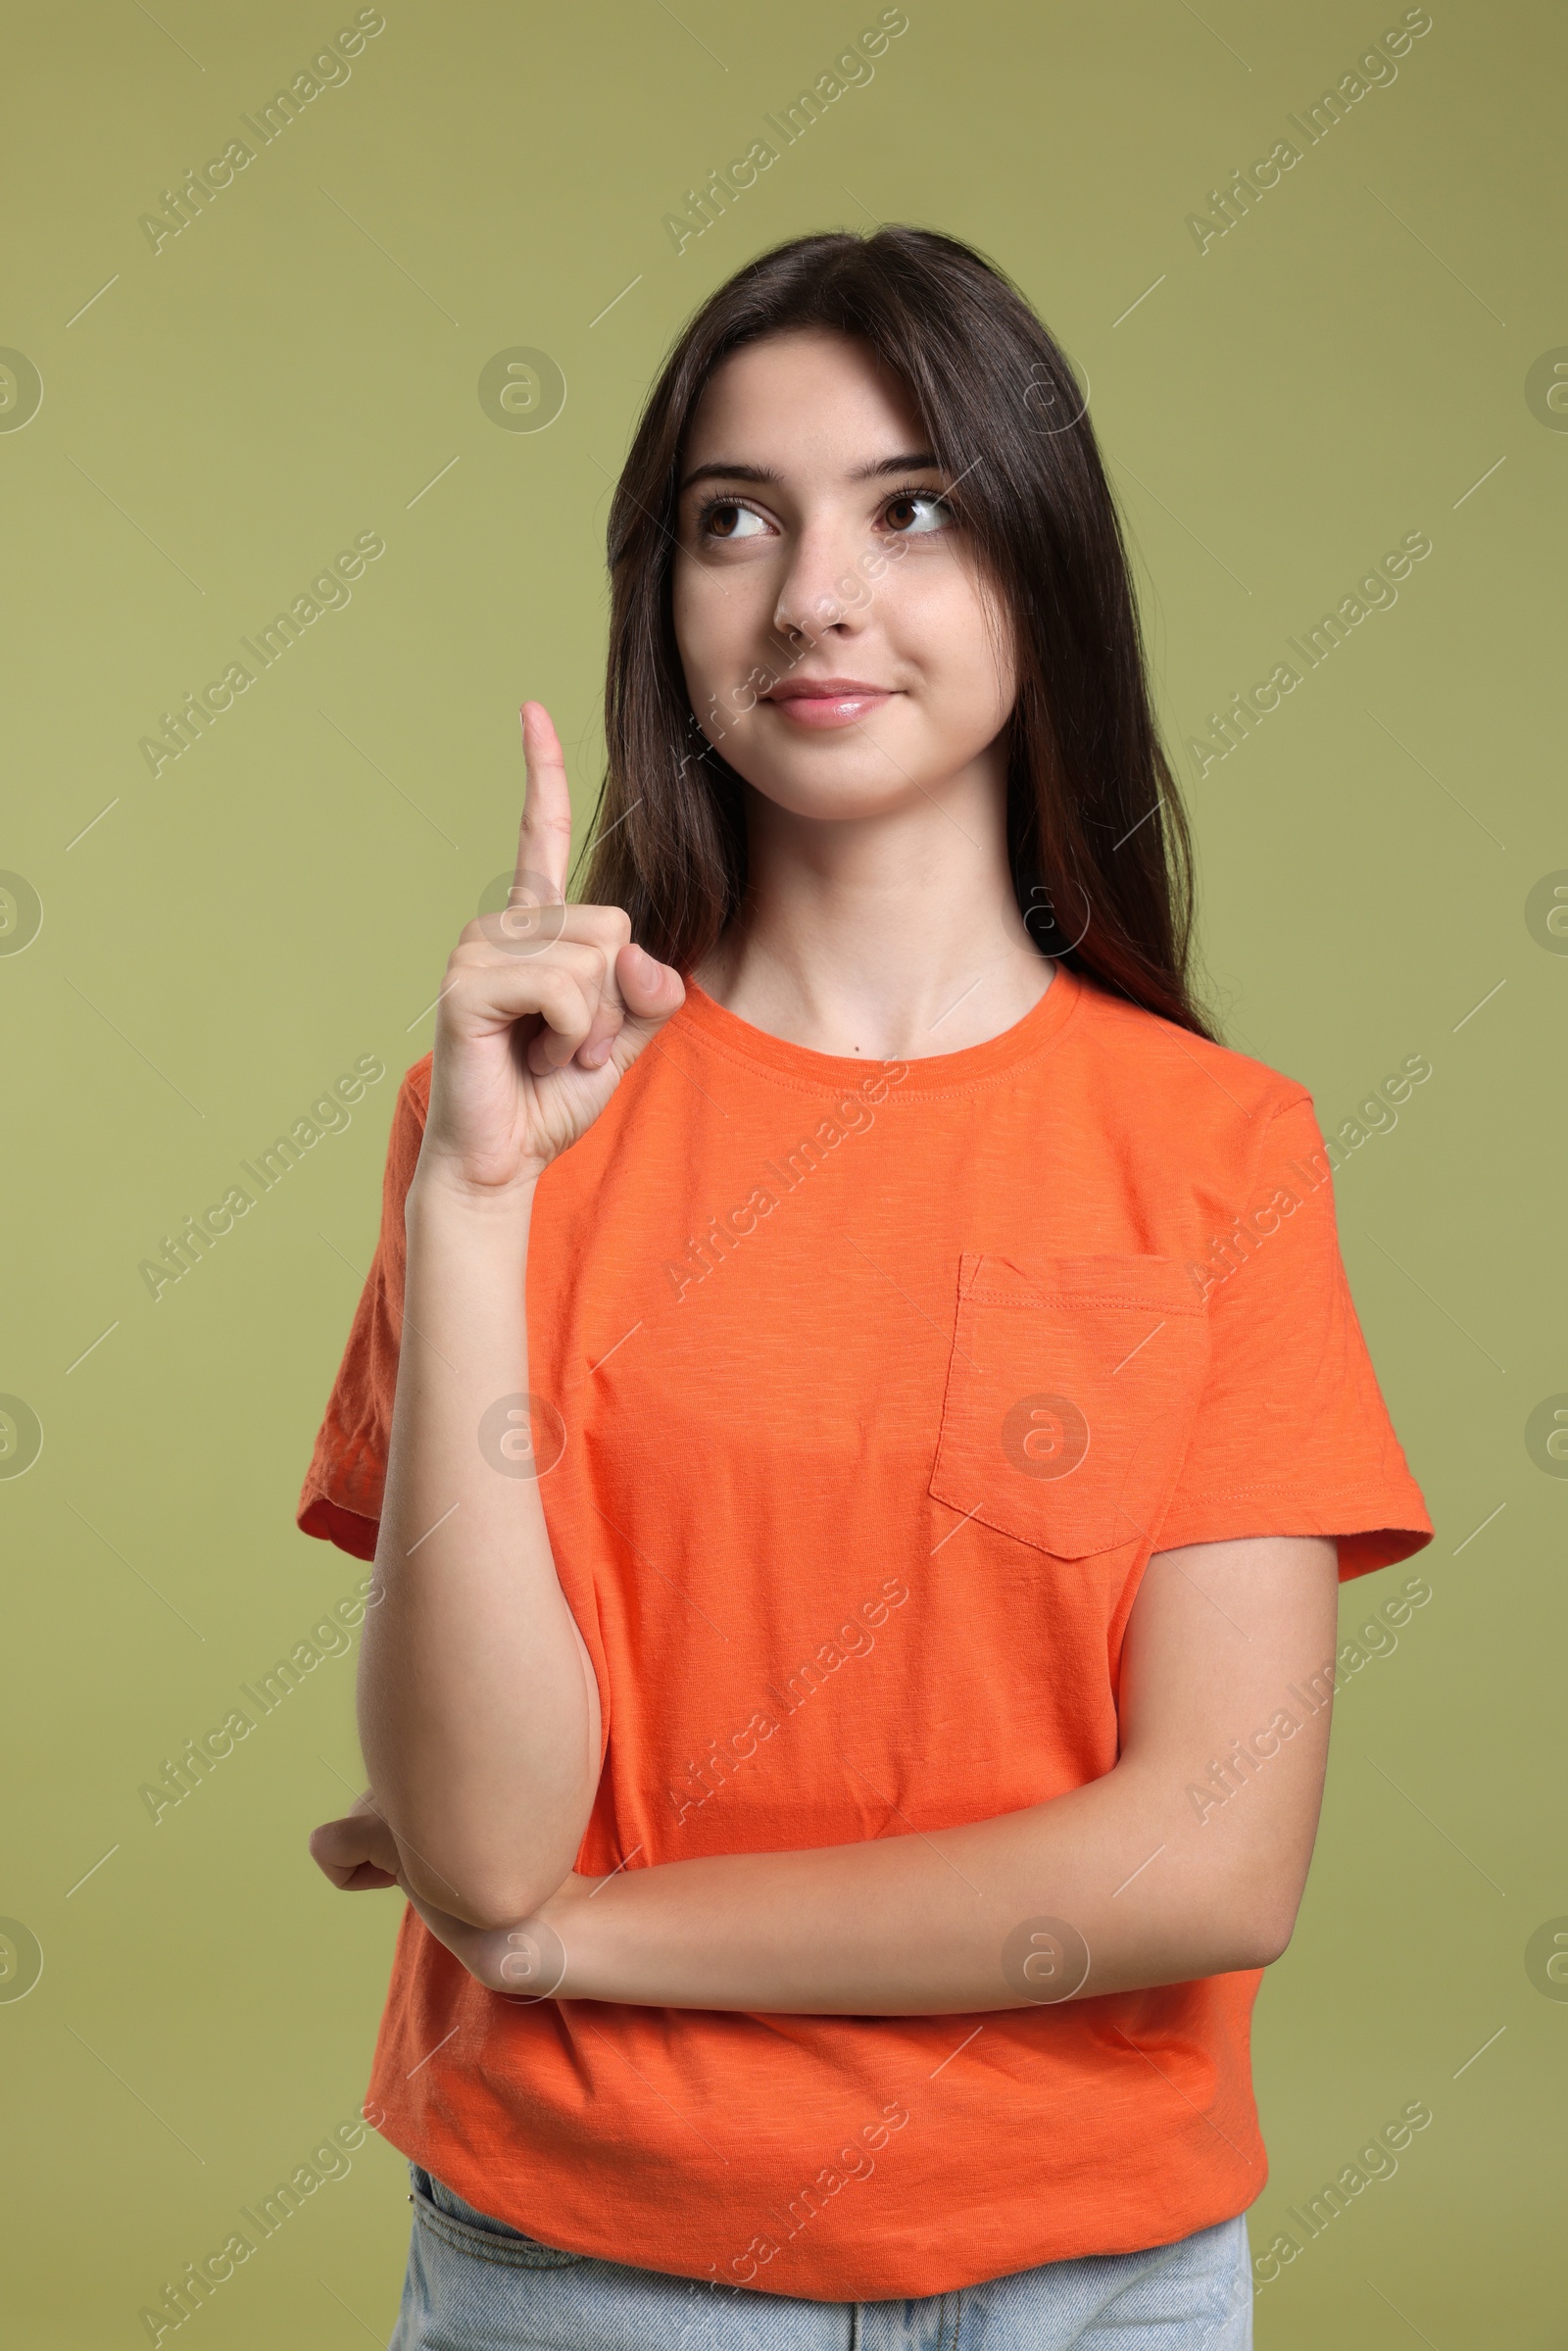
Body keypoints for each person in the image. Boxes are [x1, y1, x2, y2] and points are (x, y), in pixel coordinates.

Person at [300, 226, 1431, 2350]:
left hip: (1100, 2282)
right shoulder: (508, 1125)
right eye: (739, 520)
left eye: (909, 509)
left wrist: (567, 1949)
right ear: (669, 598)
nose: (814, 592)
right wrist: (469, 1209)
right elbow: (475, 1837)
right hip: (593, 2269)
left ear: (1038, 574)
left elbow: (1204, 1865)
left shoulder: (1215, 1153)